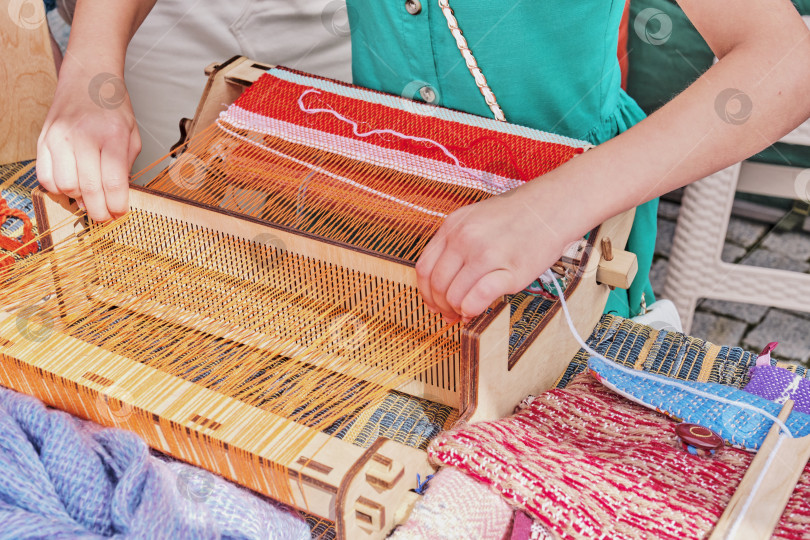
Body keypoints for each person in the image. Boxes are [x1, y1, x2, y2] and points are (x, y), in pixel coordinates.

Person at [37, 0, 810, 324]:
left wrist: (549, 209)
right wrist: (94, 76)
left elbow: (786, 57)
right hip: (385, 212)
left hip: (571, 229)